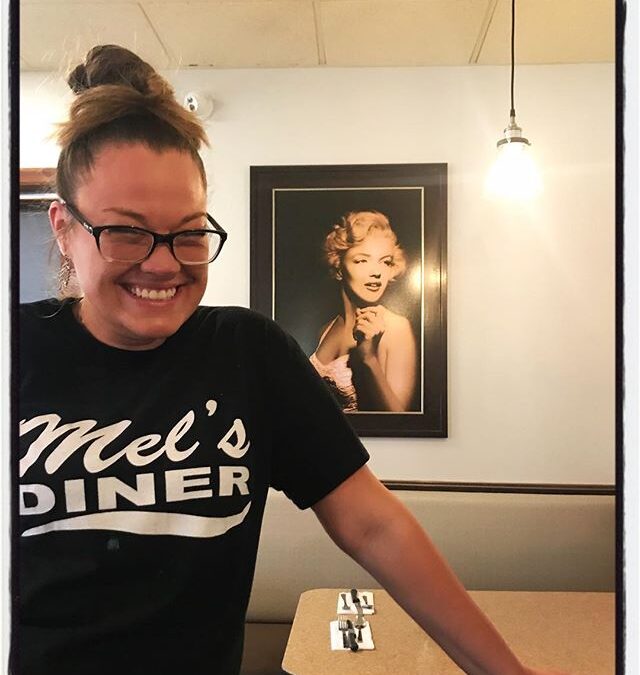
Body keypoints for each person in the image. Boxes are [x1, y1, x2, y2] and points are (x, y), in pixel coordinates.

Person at [16, 44, 568, 675]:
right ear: (63, 228)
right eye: (126, 230)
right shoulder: (20, 350)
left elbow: (373, 527)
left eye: (190, 232)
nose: (164, 263)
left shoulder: (250, 354)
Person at [310, 210, 417, 412]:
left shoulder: (396, 328)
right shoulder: (326, 329)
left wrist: (369, 358)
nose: (376, 272)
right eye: (362, 260)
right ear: (339, 268)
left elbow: (401, 423)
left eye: (385, 261)